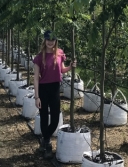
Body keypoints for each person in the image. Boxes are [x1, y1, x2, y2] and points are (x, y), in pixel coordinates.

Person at [33, 30, 76, 159]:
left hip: (55, 88)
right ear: (44, 41)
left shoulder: (60, 53)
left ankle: (45, 139)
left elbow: (61, 70)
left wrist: (71, 67)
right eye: (48, 40)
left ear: (55, 41)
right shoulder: (39, 57)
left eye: (52, 40)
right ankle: (47, 144)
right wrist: (37, 96)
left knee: (56, 118)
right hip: (43, 89)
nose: (50, 42)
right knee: (44, 117)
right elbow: (35, 78)